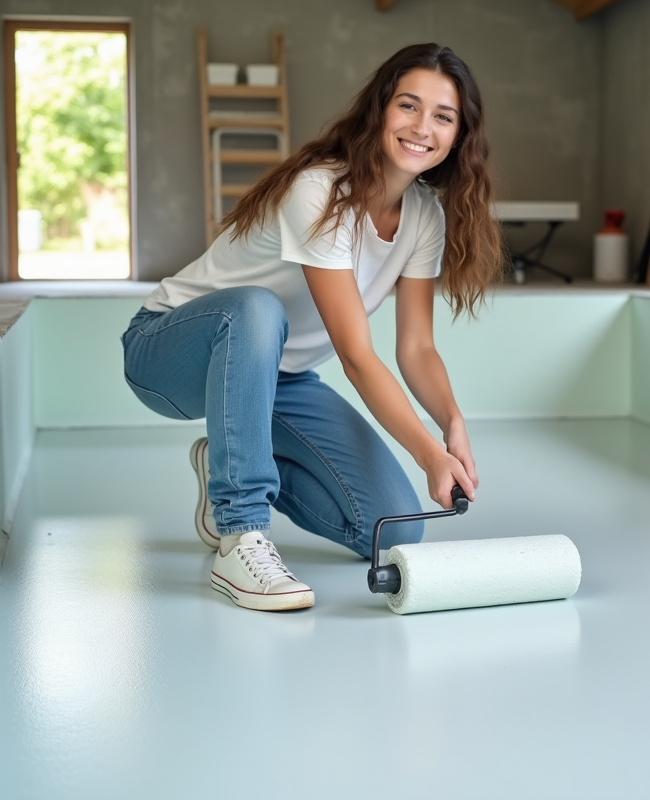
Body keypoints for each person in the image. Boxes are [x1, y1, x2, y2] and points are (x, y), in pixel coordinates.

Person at [120, 43, 502, 612]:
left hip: (278, 379)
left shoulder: (425, 215)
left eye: (443, 117)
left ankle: (223, 459)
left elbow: (417, 347)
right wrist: (426, 456)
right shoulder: (320, 190)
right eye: (408, 106)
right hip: (167, 351)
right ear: (380, 110)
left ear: (458, 135)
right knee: (255, 308)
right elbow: (354, 353)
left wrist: (451, 424)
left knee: (393, 528)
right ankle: (240, 532)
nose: (423, 127)